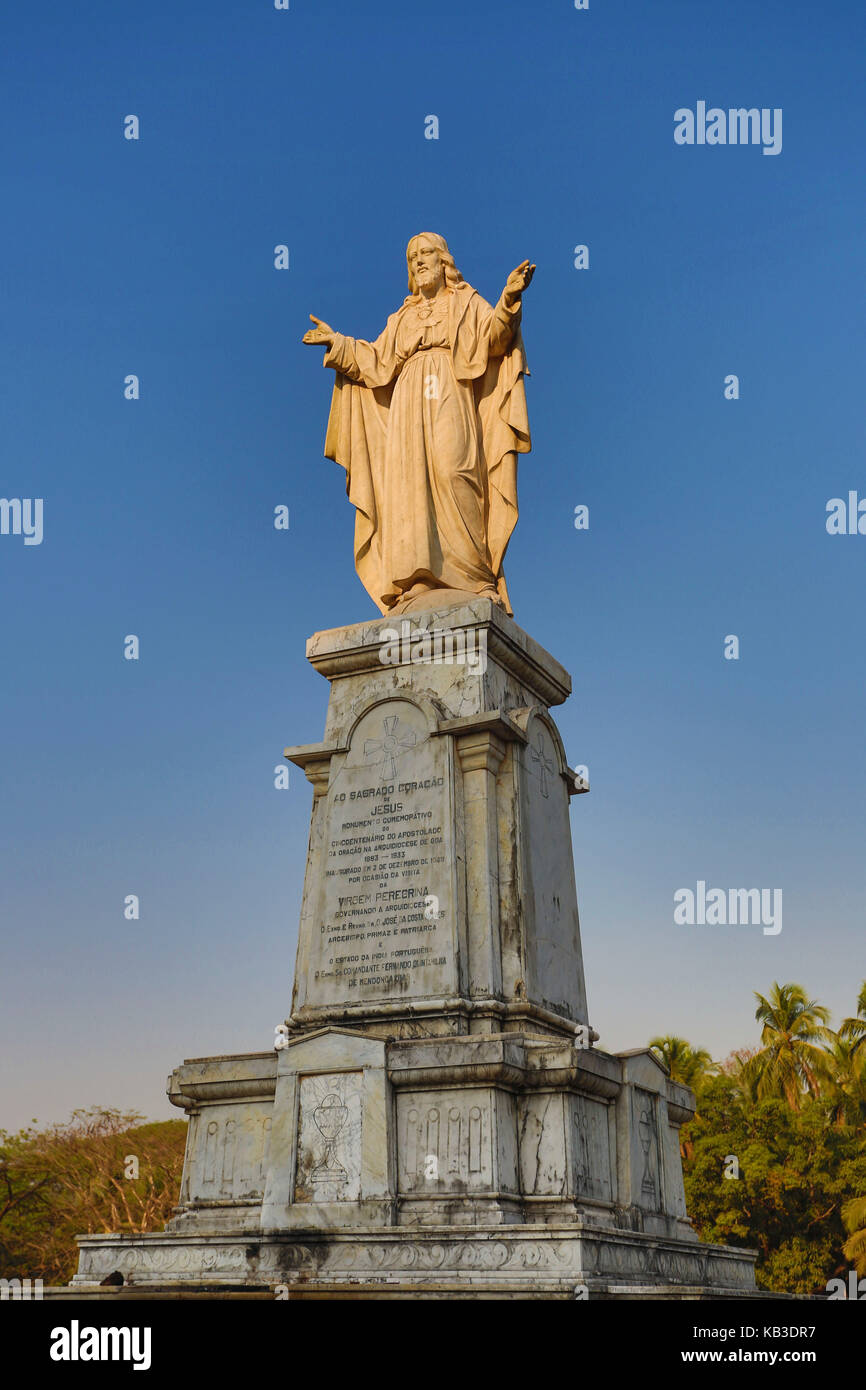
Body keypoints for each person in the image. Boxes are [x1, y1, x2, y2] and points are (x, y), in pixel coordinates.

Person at [303, 233, 535, 616]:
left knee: (454, 471)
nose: (418, 262)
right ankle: (419, 577)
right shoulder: (403, 316)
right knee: (410, 486)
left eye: (425, 253)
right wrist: (338, 344)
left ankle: (475, 576)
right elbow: (376, 361)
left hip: (450, 388)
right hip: (408, 399)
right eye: (411, 257)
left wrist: (508, 300)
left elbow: (496, 338)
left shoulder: (466, 302)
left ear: (444, 260)